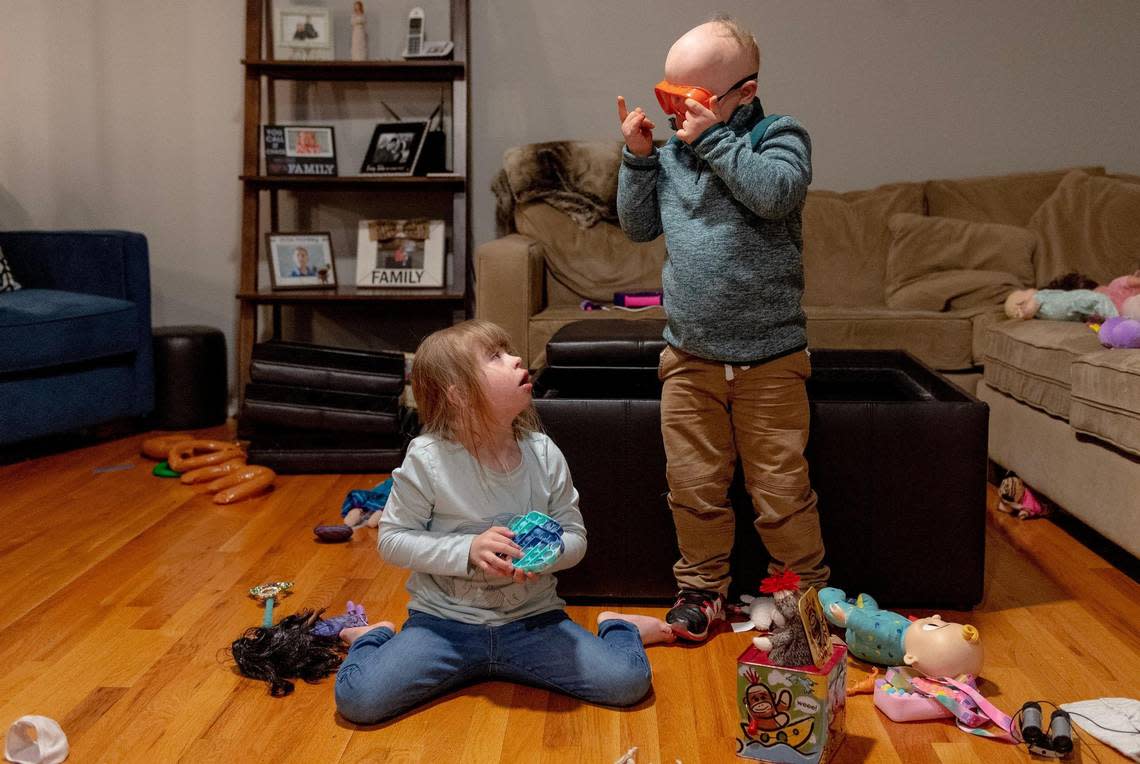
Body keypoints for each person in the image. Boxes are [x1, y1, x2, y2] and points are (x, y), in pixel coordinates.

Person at [334, 320, 675, 724]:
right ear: (459, 395)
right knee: (359, 699)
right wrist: (468, 549)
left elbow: (576, 536)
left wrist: (548, 555)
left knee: (628, 681)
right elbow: (391, 541)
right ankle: (371, 637)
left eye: (508, 351)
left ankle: (619, 627)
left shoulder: (544, 452)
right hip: (443, 626)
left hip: (533, 621)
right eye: (495, 356)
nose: (516, 359)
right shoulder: (427, 458)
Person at [615, 15, 828, 642]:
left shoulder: (776, 136)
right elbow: (636, 226)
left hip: (771, 358)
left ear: (742, 91)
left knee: (781, 490)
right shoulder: (675, 150)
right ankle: (702, 590)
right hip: (690, 356)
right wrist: (637, 158)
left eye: (689, 100)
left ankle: (800, 601)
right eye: (666, 95)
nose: (675, 111)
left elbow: (775, 194)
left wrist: (715, 141)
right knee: (693, 486)